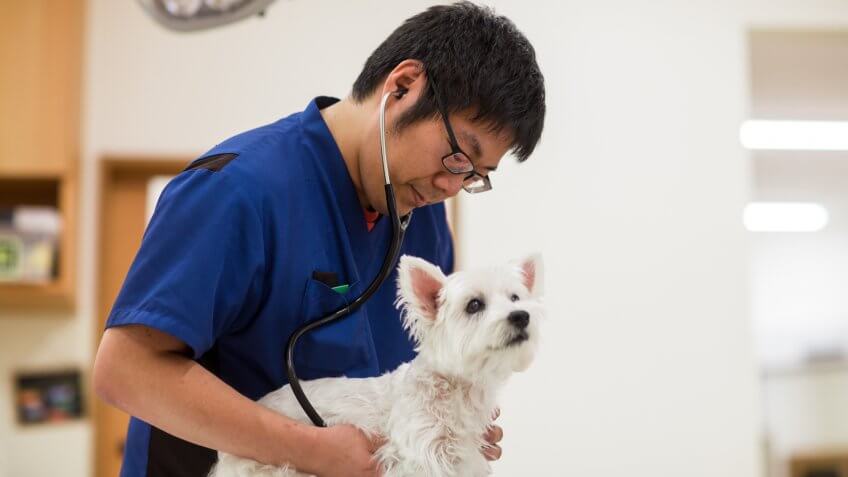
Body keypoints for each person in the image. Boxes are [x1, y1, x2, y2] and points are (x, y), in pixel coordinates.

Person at [93, 2, 546, 476]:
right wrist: (308, 449)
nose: (453, 186)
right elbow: (125, 370)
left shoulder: (423, 220)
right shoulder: (236, 192)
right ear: (403, 87)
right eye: (458, 156)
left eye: (476, 175)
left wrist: (452, 417)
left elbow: (418, 368)